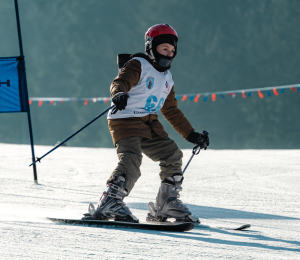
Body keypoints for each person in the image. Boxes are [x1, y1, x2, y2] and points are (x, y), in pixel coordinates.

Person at [91, 24, 209, 223]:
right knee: (131, 159)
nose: (169, 54)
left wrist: (191, 134)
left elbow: (171, 110)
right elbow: (119, 82)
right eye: (164, 49)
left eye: (172, 51)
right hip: (125, 119)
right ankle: (110, 201)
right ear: (151, 48)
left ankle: (166, 203)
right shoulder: (138, 64)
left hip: (149, 124)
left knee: (172, 154)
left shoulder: (167, 78)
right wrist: (118, 94)